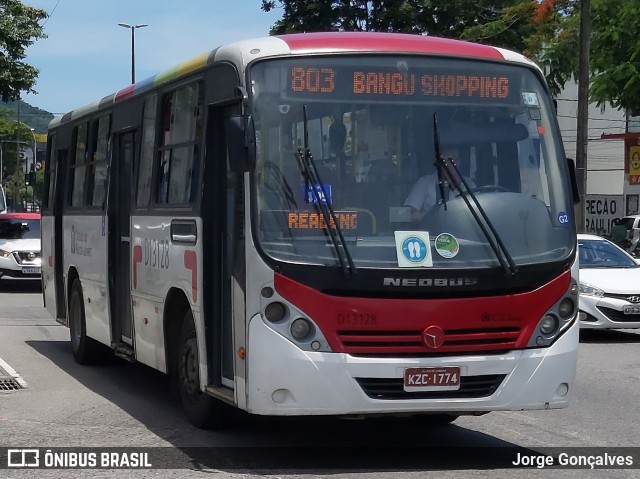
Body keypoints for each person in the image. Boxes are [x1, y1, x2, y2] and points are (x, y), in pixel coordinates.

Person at [404, 148, 475, 221]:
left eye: (455, 160)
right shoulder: (425, 182)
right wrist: (416, 215)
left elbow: (477, 211)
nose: (453, 164)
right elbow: (409, 210)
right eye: (448, 160)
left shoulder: (469, 184)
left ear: (459, 162)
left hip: (462, 227)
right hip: (433, 228)